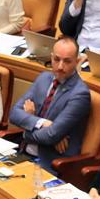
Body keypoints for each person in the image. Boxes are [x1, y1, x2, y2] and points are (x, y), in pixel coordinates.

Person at [8, 36, 91, 172]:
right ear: (51, 57)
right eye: (56, 59)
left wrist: (26, 130)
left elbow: (51, 135)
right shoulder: (44, 78)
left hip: (51, 163)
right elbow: (14, 113)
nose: (60, 67)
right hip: (23, 153)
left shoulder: (80, 94)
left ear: (77, 62)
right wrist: (41, 122)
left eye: (67, 62)